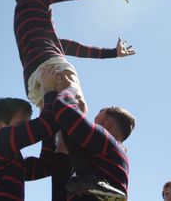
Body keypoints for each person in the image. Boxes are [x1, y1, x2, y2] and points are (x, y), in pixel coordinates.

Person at [14, 0, 137, 198]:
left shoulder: (33, 32)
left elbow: (73, 47)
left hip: (34, 83)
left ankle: (62, 194)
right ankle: (90, 177)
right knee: (76, 110)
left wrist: (112, 52)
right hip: (52, 67)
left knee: (61, 136)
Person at [48, 68, 136, 200]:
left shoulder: (108, 142)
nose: (91, 123)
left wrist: (71, 89)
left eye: (96, 120)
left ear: (107, 124)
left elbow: (63, 110)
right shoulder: (108, 157)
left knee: (70, 129)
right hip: (86, 189)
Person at [0, 95, 59, 201]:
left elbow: (47, 166)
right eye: (21, 125)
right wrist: (49, 93)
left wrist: (48, 129)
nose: (26, 129)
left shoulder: (13, 163)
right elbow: (45, 126)